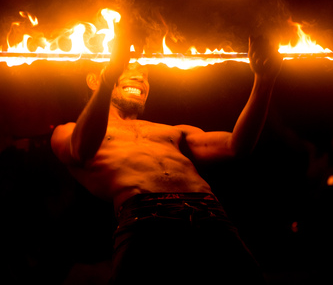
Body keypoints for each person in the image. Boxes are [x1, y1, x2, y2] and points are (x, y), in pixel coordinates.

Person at [51, 25, 282, 284]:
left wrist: (264, 80)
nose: (139, 77)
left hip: (210, 217)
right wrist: (110, 75)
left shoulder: (173, 131)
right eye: (128, 68)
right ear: (95, 79)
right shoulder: (69, 131)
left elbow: (236, 146)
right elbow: (82, 151)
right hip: (146, 223)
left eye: (145, 75)